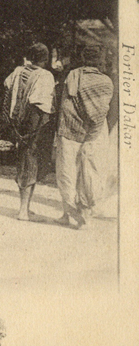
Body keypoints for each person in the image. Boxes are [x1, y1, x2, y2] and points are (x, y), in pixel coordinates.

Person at [54, 44, 114, 228]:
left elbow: (65, 104)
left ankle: (67, 212)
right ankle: (85, 217)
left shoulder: (72, 76)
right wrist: (93, 128)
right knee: (89, 172)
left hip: (70, 128)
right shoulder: (106, 82)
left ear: (82, 57)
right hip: (94, 132)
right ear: (100, 61)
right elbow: (102, 111)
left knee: (68, 170)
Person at [3, 43, 56, 221]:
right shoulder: (45, 76)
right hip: (34, 126)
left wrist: (13, 126)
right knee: (30, 163)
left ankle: (26, 206)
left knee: (25, 163)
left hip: (17, 123)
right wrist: (34, 132)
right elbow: (40, 107)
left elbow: (7, 95)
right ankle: (23, 211)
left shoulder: (18, 71)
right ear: (45, 59)